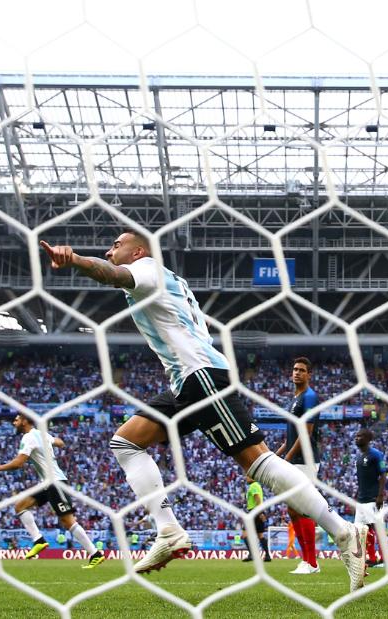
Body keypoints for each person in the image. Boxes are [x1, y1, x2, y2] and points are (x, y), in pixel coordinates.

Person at [39, 233, 366, 590]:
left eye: (116, 245)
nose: (108, 250)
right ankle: (168, 531)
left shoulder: (147, 269)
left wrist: (76, 261)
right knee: (125, 442)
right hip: (186, 382)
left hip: (202, 376)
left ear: (138, 251)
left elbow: (113, 275)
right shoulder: (165, 279)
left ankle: (345, 533)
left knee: (258, 463)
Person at [0, 414, 104, 569]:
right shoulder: (41, 434)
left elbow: (18, 463)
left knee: (67, 521)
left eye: (16, 420)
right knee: (20, 506)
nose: (14, 422)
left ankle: (95, 554)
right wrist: (53, 443)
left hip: (56, 482)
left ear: (24, 421)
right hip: (46, 483)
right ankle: (39, 540)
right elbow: (60, 442)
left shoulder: (29, 437)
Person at [273, 357, 324, 575]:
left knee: (302, 510)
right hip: (295, 460)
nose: (297, 373)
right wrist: (275, 456)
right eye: (294, 369)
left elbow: (306, 433)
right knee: (293, 511)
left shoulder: (310, 397)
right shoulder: (294, 399)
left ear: (309, 375)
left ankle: (312, 562)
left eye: (302, 370)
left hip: (306, 460)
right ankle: (307, 560)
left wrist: (286, 460)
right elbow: (290, 436)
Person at [354, 428, 388, 568]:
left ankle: (385, 558)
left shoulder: (376, 454)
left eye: (360, 436)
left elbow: (383, 474)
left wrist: (380, 495)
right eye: (356, 436)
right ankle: (372, 558)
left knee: (377, 528)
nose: (357, 438)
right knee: (363, 530)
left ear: (368, 439)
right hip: (361, 500)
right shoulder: (359, 456)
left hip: (373, 499)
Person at [242, 475, 271, 563]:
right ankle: (267, 556)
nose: (245, 478)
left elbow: (257, 498)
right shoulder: (258, 485)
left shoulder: (253, 486)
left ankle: (252, 554)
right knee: (260, 536)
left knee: (245, 535)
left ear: (253, 478)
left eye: (247, 476)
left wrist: (259, 512)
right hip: (258, 511)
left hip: (254, 512)